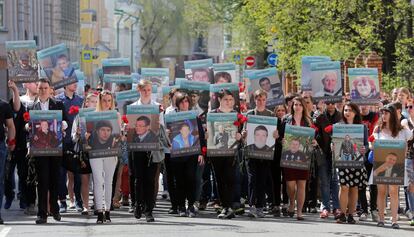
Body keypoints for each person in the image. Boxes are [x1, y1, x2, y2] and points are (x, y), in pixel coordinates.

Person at [28, 78, 66, 224]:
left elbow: (66, 121)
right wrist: (28, 127)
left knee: (54, 180)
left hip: (55, 147)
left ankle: (55, 210)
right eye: (41, 88)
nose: (43, 91)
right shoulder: (32, 106)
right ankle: (42, 213)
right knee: (42, 181)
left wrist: (63, 125)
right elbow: (28, 125)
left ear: (50, 89)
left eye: (46, 88)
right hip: (39, 150)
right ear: (37, 89)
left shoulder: (58, 104)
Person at [130, 79, 168, 222]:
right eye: (144, 90)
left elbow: (162, 128)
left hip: (153, 148)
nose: (146, 92)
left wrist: (158, 123)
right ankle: (138, 204)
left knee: (150, 179)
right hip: (138, 148)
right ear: (139, 90)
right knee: (138, 178)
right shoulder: (133, 107)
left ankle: (149, 209)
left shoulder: (157, 107)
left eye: (148, 90)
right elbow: (130, 129)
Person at [371, 104, 412, 229]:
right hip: (381, 163)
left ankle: (394, 220)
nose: (383, 116)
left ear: (393, 114)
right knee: (381, 191)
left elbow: (410, 137)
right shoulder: (377, 129)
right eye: (382, 113)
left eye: (386, 113)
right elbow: (371, 145)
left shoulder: (402, 130)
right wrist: (371, 145)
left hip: (397, 165)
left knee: (394, 192)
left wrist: (405, 124)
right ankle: (381, 219)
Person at [166, 93, 205, 217]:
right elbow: (167, 137)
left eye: (186, 102)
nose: (184, 104)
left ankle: (191, 205)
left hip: (192, 154)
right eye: (182, 102)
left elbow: (201, 136)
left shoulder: (195, 117)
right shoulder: (171, 117)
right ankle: (181, 206)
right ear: (177, 104)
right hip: (177, 154)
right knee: (179, 180)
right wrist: (168, 133)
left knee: (191, 179)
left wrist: (201, 153)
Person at [87, 90, 122, 224]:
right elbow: (87, 134)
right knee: (97, 180)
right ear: (100, 101)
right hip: (95, 151)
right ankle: (99, 211)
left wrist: (122, 133)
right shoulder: (93, 115)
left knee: (108, 181)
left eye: (109, 100)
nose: (107, 103)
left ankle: (107, 210)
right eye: (104, 100)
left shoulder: (116, 115)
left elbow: (118, 134)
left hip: (110, 152)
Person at [280, 96, 317, 220]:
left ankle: (299, 211)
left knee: (301, 184)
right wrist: (282, 140)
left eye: (300, 105)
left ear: (303, 107)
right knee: (290, 185)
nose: (297, 107)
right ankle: (291, 201)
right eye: (295, 105)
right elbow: (279, 136)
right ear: (292, 106)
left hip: (303, 157)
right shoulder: (285, 120)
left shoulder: (309, 121)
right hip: (288, 156)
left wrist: (314, 142)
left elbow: (312, 138)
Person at [244, 89, 278, 218]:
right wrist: (244, 135)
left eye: (263, 99)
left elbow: (274, 135)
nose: (261, 102)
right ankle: (252, 205)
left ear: (266, 100)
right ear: (255, 100)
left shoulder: (271, 115)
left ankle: (260, 207)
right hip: (251, 152)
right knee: (252, 179)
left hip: (265, 153)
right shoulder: (249, 114)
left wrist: (276, 135)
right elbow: (244, 132)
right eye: (258, 99)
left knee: (262, 179)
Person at [209, 90, 242, 219]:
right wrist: (208, 134)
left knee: (230, 178)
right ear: (219, 100)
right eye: (225, 99)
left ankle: (228, 206)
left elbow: (241, 133)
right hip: (216, 152)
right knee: (219, 179)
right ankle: (225, 206)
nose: (228, 102)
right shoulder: (212, 114)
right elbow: (210, 132)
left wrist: (240, 136)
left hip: (231, 152)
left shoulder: (236, 115)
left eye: (230, 99)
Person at [334, 102, 368, 224]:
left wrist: (365, 149)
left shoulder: (362, 127)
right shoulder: (338, 126)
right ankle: (342, 213)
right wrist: (333, 147)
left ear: (355, 112)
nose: (347, 113)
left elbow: (366, 144)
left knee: (354, 188)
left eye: (350, 110)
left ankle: (350, 215)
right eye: (345, 110)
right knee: (344, 187)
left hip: (357, 161)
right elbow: (335, 144)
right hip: (342, 161)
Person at [6, 80, 37, 215]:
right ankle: (9, 195)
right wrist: (15, 90)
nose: (35, 85)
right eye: (32, 82)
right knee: (7, 174)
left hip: (28, 144)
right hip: (14, 143)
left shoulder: (39, 103)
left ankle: (25, 199)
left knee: (24, 174)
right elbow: (17, 108)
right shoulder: (19, 101)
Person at [56, 82, 84, 213]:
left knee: (78, 174)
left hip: (76, 142)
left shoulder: (80, 100)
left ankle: (79, 201)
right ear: (65, 84)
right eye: (72, 82)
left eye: (76, 82)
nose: (75, 84)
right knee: (61, 174)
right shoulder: (58, 101)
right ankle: (62, 202)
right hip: (62, 141)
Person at [71, 93, 98, 215]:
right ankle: (86, 206)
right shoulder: (79, 117)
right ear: (86, 103)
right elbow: (73, 138)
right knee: (85, 179)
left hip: (98, 151)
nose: (94, 104)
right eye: (91, 101)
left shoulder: (101, 116)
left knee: (98, 180)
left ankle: (98, 205)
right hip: (83, 151)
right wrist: (78, 134)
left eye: (96, 102)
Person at [315, 101, 341, 219]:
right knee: (324, 181)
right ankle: (325, 207)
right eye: (328, 103)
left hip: (337, 154)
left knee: (335, 182)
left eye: (332, 103)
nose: (330, 105)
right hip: (323, 153)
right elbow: (314, 133)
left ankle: (336, 207)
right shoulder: (320, 117)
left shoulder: (341, 116)